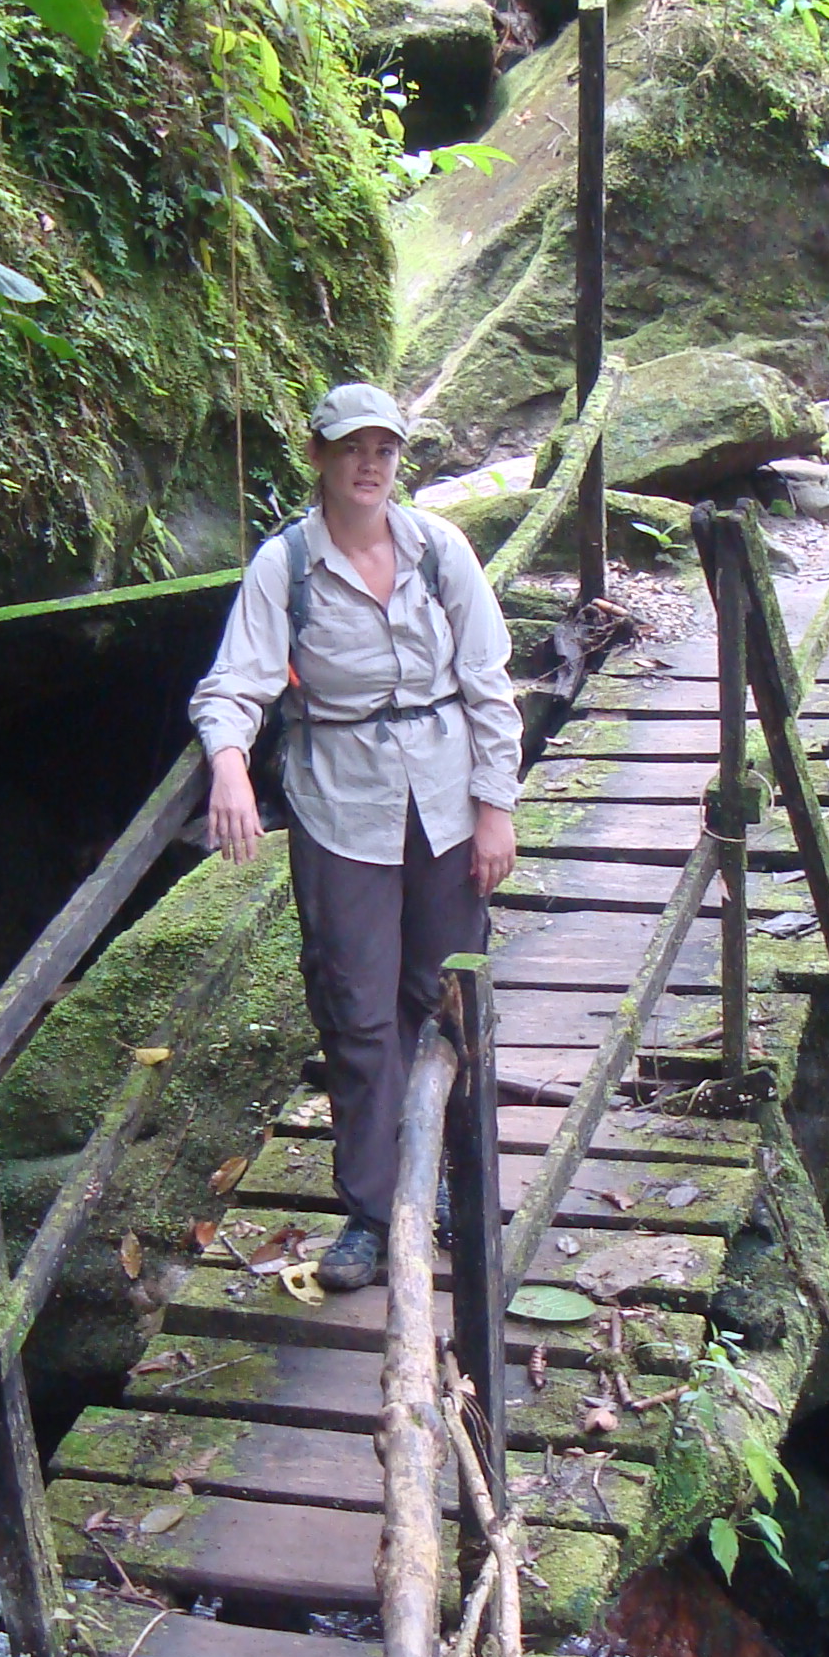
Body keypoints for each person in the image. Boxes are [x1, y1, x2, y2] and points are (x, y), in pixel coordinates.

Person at [190, 381, 522, 1292]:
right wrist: (228, 764)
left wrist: (497, 807)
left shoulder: (439, 549)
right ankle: (374, 1214)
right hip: (341, 810)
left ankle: (454, 1181)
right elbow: (236, 683)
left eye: (384, 449)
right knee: (358, 1010)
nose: (369, 464)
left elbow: (490, 683)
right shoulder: (286, 564)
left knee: (446, 997)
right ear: (320, 458)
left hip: (449, 805)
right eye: (352, 448)